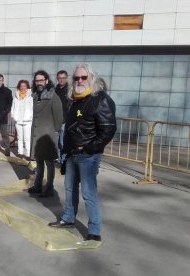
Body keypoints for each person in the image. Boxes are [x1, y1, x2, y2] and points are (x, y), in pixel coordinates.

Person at [48, 63, 117, 242]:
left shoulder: (101, 99)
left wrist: (89, 148)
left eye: (83, 77)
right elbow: (71, 127)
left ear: (91, 78)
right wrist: (66, 153)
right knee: (70, 189)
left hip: (88, 156)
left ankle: (94, 231)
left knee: (89, 193)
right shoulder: (75, 99)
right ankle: (68, 218)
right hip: (71, 154)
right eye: (76, 77)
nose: (79, 80)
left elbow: (108, 129)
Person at [27, 70, 63, 198]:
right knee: (39, 161)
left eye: (41, 80)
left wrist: (55, 132)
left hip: (48, 136)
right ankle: (38, 186)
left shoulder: (53, 96)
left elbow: (59, 117)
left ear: (47, 81)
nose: (39, 83)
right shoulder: (35, 95)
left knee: (50, 163)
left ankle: (49, 188)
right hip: (37, 134)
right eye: (37, 81)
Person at [11, 79, 33, 158]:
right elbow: (13, 108)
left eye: (24, 86)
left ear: (27, 87)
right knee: (19, 138)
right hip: (18, 120)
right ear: (19, 87)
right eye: (21, 86)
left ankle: (27, 154)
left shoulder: (31, 97)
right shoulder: (16, 97)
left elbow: (33, 109)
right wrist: (13, 116)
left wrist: (30, 116)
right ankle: (20, 153)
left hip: (27, 121)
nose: (23, 87)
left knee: (27, 138)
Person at [54, 70, 71, 174]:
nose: (61, 80)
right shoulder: (55, 90)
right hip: (56, 119)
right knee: (57, 141)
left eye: (63, 78)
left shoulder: (69, 90)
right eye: (60, 78)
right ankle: (59, 159)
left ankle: (63, 160)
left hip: (65, 120)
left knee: (63, 141)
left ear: (66, 78)